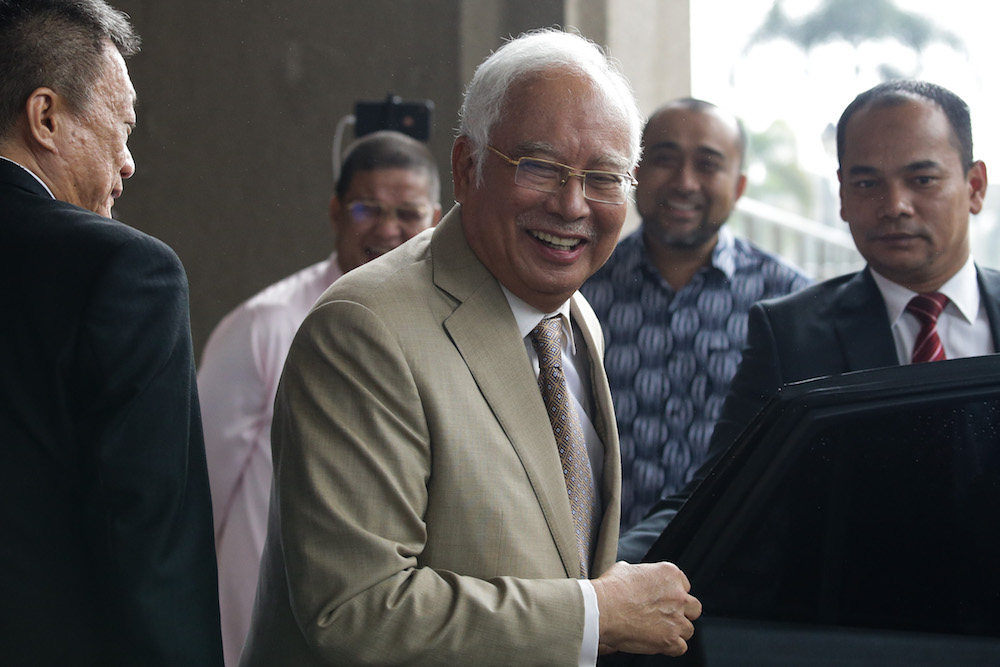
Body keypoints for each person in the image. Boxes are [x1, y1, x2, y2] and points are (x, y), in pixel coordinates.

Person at [240, 29, 701, 666]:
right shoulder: (364, 329)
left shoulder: (574, 317)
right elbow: (357, 611)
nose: (573, 205)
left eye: (603, 177)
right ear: (466, 167)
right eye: (541, 167)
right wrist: (598, 614)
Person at [625, 80, 1000, 558]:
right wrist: (604, 586)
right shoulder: (791, 334)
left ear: (974, 186)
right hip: (861, 626)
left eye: (922, 180)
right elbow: (714, 499)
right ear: (842, 195)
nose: (895, 205)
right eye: (866, 183)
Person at [0, 1, 223, 664]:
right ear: (46, 117)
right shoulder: (123, 270)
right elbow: (153, 550)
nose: (127, 163)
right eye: (123, 128)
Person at [197, 129, 441, 667]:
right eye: (367, 209)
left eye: (408, 212)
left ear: (437, 220)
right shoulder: (264, 326)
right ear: (335, 212)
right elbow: (197, 496)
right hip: (266, 631)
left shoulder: (452, 333)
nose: (388, 230)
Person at [581, 98, 810, 561]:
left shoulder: (789, 303)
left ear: (740, 185)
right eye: (665, 159)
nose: (684, 182)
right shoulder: (579, 291)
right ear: (635, 171)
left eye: (708, 164)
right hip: (598, 572)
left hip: (740, 568)